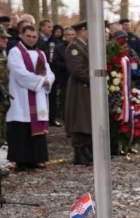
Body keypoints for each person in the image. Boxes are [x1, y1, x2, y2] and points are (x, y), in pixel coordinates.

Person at [6, 23, 54, 170]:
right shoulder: (15, 52)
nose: (32, 39)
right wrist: (40, 81)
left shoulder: (41, 53)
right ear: (21, 35)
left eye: (34, 37)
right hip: (21, 96)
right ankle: (21, 161)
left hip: (38, 96)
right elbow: (20, 73)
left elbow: (49, 72)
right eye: (29, 36)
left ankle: (36, 159)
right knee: (22, 128)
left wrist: (48, 80)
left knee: (36, 126)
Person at [63, 22, 93, 166]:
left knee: (86, 119)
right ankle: (79, 153)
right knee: (79, 119)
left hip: (85, 87)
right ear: (82, 31)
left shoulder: (83, 46)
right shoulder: (74, 47)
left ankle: (86, 151)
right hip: (79, 87)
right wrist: (93, 80)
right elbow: (77, 69)